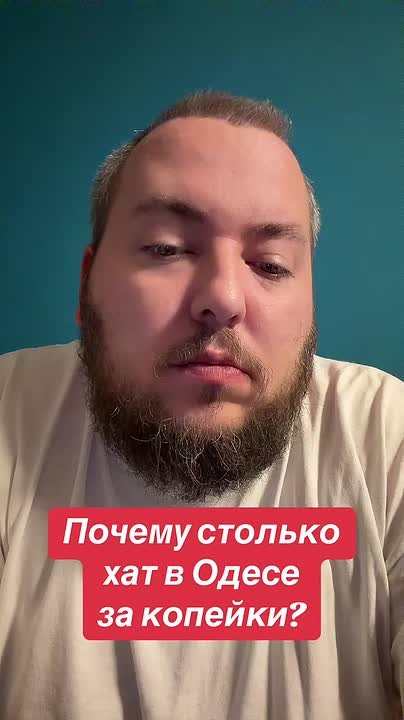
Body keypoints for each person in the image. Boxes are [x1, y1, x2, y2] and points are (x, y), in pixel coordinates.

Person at [0, 90, 402, 720]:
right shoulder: (8, 417)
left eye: (270, 265)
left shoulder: (387, 435)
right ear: (86, 286)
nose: (223, 299)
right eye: (166, 248)